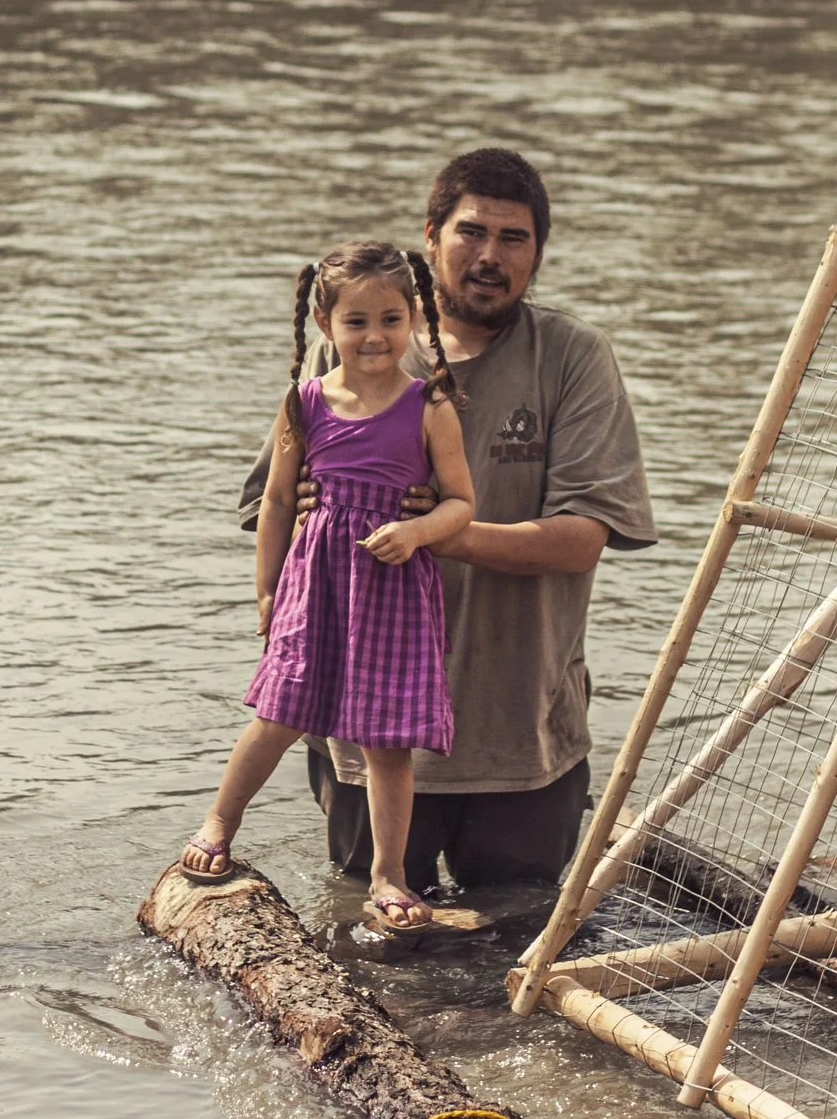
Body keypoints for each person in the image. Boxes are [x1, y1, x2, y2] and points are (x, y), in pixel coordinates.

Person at [240, 148, 654, 894]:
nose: (490, 256)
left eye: (514, 238)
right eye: (471, 232)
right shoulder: (362, 347)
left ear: (538, 255)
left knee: (519, 933)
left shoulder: (571, 358)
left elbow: (584, 537)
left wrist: (440, 532)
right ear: (429, 238)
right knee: (370, 934)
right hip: (364, 719)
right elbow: (271, 502)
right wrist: (299, 540)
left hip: (519, 731)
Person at [183, 240, 475, 930]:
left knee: (385, 742)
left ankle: (388, 875)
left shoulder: (430, 405)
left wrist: (417, 533)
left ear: (415, 318)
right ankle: (220, 823)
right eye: (356, 321)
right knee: (278, 713)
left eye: (391, 318)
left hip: (393, 589)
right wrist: (267, 591)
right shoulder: (304, 404)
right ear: (325, 323)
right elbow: (279, 503)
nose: (375, 336)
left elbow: (462, 502)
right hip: (314, 585)